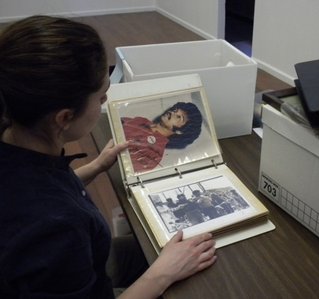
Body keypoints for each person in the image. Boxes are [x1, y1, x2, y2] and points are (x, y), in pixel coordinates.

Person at [0, 15, 216, 299]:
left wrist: (95, 167)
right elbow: (46, 208)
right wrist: (162, 274)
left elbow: (42, 189)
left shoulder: (13, 137)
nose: (106, 102)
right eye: (102, 98)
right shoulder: (58, 229)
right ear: (64, 117)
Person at [121, 102, 202, 172]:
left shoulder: (154, 154)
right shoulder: (142, 120)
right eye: (175, 110)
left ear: (180, 132)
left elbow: (124, 166)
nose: (172, 113)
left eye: (179, 117)